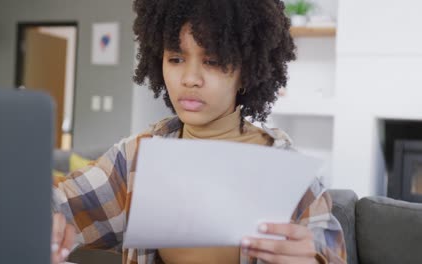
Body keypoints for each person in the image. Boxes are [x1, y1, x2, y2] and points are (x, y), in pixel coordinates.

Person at [51, 0, 347, 263]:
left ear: (247, 69)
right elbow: (53, 205)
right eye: (176, 59)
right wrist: (46, 227)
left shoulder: (291, 177)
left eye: (213, 61)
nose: (190, 78)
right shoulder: (134, 159)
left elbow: (327, 252)